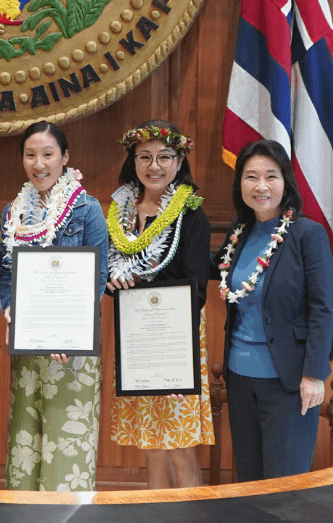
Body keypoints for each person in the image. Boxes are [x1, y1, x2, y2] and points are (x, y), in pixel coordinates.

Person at [0, 122, 109, 491]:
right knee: (25, 445)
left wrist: (67, 331)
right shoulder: (14, 213)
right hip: (28, 346)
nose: (39, 163)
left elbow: (96, 278)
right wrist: (10, 310)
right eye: (31, 155)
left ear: (65, 158)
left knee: (66, 450)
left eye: (48, 154)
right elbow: (8, 276)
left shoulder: (87, 210)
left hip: (71, 351)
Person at [104, 120, 215, 489]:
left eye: (165, 156)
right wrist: (112, 282)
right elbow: (110, 273)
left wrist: (144, 287)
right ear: (133, 161)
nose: (155, 166)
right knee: (149, 445)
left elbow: (196, 288)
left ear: (180, 159)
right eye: (145, 157)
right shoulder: (119, 212)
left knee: (179, 445)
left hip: (174, 338)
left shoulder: (192, 213)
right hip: (134, 338)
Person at [217, 138, 333, 482]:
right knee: (249, 485)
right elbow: (211, 272)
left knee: (285, 489)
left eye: (271, 176)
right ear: (240, 184)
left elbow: (322, 309)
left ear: (286, 181)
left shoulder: (307, 234)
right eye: (251, 177)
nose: (261, 186)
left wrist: (314, 374)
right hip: (239, 379)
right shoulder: (239, 233)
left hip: (289, 381)